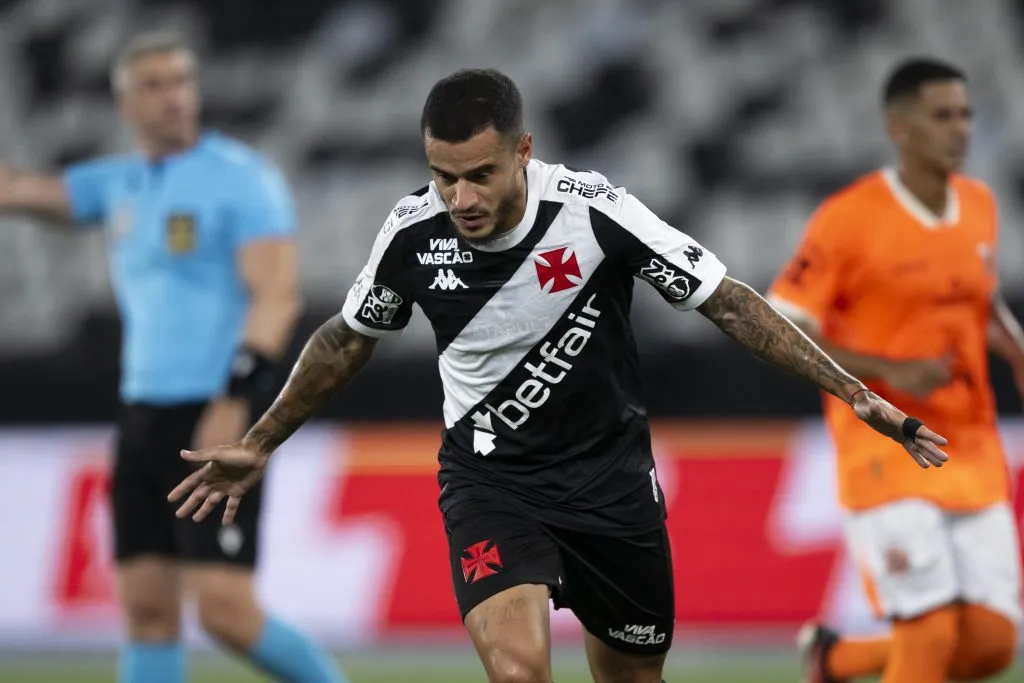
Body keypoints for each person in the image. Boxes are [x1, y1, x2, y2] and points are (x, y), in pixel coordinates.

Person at [169, 68, 947, 683]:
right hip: (491, 482)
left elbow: (731, 304)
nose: (459, 198)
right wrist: (262, 439)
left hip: (611, 484)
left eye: (477, 174)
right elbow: (346, 340)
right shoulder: (411, 231)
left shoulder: (596, 212)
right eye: (442, 176)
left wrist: (853, 390)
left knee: (635, 675)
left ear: (524, 152)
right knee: (517, 668)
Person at [0, 31, 347, 683]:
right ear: (124, 102)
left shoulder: (241, 180)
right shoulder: (121, 182)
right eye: (155, 85)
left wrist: (235, 396)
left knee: (225, 612)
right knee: (148, 611)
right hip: (142, 418)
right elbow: (26, 192)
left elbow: (277, 293)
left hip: (214, 412)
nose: (174, 97)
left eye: (182, 81)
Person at [767, 58, 1024, 683]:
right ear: (899, 127)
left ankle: (836, 660)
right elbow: (783, 321)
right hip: (887, 442)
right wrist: (888, 370)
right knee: (930, 633)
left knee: (991, 644)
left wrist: (1016, 349)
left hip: (970, 444)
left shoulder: (980, 206)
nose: (960, 129)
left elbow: (980, 300)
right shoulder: (850, 219)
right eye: (942, 116)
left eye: (965, 115)